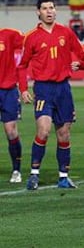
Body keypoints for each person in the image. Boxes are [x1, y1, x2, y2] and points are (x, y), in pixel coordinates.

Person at [19, 0, 84, 190]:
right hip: (43, 89)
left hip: (63, 90)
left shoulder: (65, 32)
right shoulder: (32, 36)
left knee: (64, 134)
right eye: (45, 8)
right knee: (43, 130)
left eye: (52, 7)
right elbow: (22, 66)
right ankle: (34, 174)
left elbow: (83, 54)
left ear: (55, 10)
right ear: (38, 12)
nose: (49, 11)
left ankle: (63, 176)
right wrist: (24, 89)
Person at [0, 27, 27, 183]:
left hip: (8, 90)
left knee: (11, 131)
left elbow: (29, 42)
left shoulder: (9, 35)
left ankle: (16, 170)